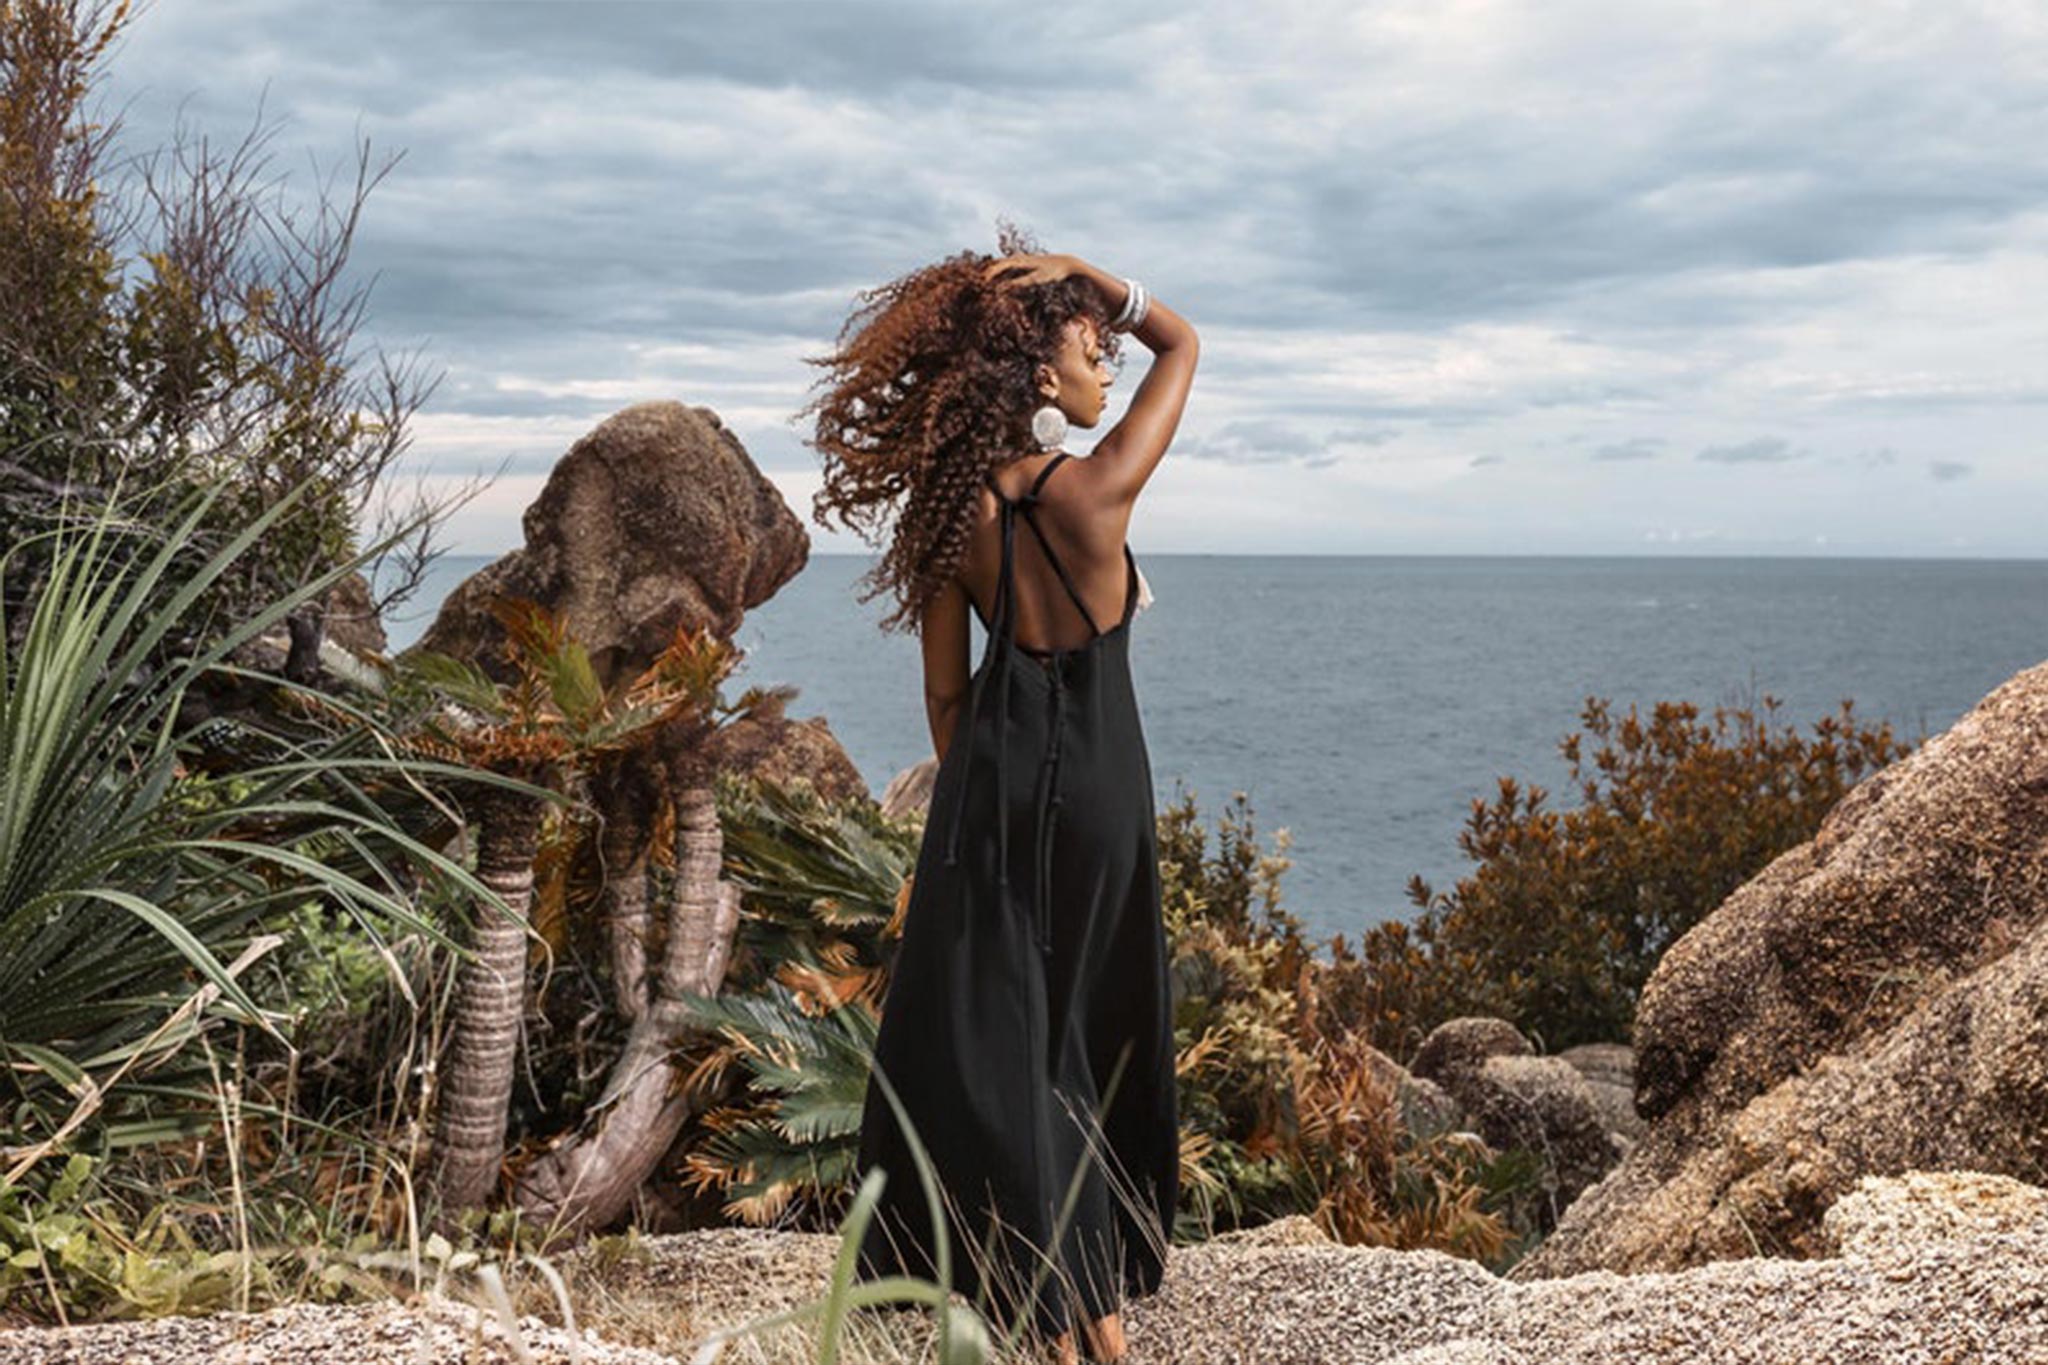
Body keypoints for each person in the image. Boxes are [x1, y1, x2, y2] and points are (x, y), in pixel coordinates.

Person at [801, 227, 1198, 1364]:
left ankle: (1056, 1323)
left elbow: (941, 700)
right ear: (1039, 374)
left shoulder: (945, 516)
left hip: (988, 791)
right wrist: (1107, 282)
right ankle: (1099, 1334)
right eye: (1088, 348)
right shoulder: (1096, 491)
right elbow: (1183, 344)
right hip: (1104, 795)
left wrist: (984, 786)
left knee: (1006, 1051)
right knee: (1085, 1037)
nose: (1105, 364)